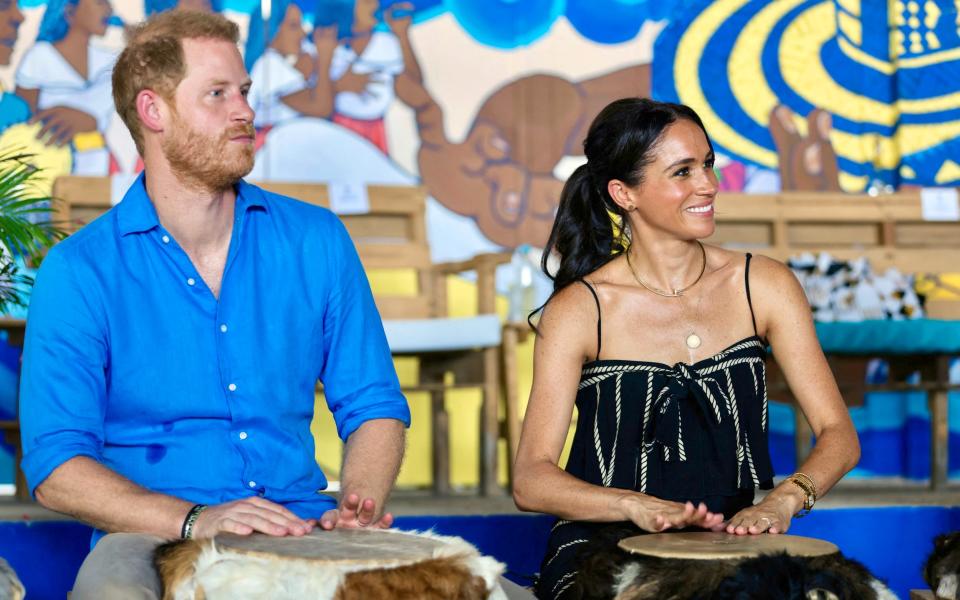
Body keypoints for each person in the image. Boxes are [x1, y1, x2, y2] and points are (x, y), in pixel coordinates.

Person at [18, 11, 409, 598]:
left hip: (300, 522)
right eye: (218, 94)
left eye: (245, 92)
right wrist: (197, 519)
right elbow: (55, 469)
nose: (246, 111)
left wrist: (358, 504)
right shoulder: (79, 271)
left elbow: (374, 403)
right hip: (150, 536)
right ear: (154, 112)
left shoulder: (316, 239)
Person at [511, 98, 860, 599]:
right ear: (623, 193)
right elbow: (531, 479)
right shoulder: (580, 310)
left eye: (709, 164)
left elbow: (838, 434)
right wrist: (633, 505)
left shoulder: (762, 284)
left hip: (727, 540)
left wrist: (781, 501)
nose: (708, 185)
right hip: (604, 548)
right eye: (683, 171)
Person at [14, 0, 117, 174]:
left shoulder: (111, 62)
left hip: (99, 170)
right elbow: (19, 123)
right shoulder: (40, 57)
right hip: (50, 171)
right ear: (70, 12)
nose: (109, 9)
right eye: (100, 2)